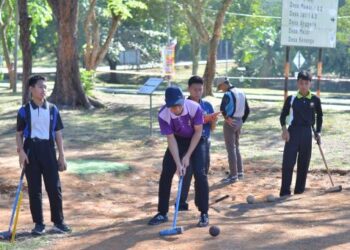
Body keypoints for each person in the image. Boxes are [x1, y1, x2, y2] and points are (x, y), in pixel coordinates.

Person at [16, 75, 71, 235]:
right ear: (31, 89)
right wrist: (21, 152)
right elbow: (19, 134)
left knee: (54, 187)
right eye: (40, 87)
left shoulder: (53, 109)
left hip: (48, 149)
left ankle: (59, 222)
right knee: (34, 189)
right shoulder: (24, 110)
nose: (43, 90)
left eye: (45, 87)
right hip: (31, 151)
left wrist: (61, 155)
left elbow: (58, 133)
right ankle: (39, 224)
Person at [148, 86, 210, 227]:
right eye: (172, 106)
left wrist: (187, 156)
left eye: (178, 105)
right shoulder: (163, 114)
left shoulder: (195, 108)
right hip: (177, 141)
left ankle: (204, 213)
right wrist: (178, 163)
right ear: (166, 103)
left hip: (196, 140)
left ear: (183, 100)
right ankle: (162, 213)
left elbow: (198, 132)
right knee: (166, 174)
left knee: (200, 174)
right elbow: (171, 139)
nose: (176, 109)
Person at [279, 70, 323, 197]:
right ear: (297, 83)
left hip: (307, 133)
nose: (303, 86)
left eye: (306, 83)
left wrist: (318, 132)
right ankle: (285, 192)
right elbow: (283, 116)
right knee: (288, 163)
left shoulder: (315, 99)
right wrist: (284, 129)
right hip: (292, 133)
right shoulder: (291, 99)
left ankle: (299, 191)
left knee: (303, 163)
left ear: (310, 84)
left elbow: (319, 116)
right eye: (301, 83)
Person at [179, 76, 218, 211]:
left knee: (201, 174)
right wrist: (201, 120)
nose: (197, 92)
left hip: (204, 142)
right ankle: (181, 202)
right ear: (189, 89)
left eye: (200, 89)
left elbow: (212, 128)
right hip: (187, 143)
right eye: (195, 89)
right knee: (186, 172)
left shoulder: (207, 105)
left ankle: (200, 203)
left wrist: (212, 120)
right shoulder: (183, 105)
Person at [218, 79, 250, 184]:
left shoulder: (228, 94)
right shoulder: (241, 91)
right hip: (239, 120)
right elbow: (248, 109)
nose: (221, 90)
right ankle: (240, 172)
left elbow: (222, 108)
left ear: (224, 84)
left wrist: (227, 118)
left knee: (231, 149)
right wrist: (241, 121)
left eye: (220, 87)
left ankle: (233, 175)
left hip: (230, 122)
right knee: (237, 146)